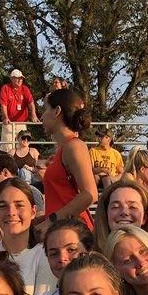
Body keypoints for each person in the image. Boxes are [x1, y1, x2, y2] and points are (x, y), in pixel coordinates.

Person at [0, 177, 57, 295]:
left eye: (19, 205)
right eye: (3, 206)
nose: (11, 212)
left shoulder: (45, 256)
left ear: (33, 211)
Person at [38, 88, 96, 232]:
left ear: (57, 111)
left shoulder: (74, 146)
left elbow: (90, 194)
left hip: (74, 235)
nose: (42, 117)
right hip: (63, 231)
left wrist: (51, 221)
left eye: (46, 109)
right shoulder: (66, 148)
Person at [93, 178, 148, 256]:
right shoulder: (90, 259)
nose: (124, 212)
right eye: (116, 207)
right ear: (106, 214)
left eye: (132, 207)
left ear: (145, 217)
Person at [0, 69, 39, 151]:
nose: (20, 80)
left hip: (22, 123)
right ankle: (9, 163)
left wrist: (34, 115)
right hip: (9, 123)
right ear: (11, 78)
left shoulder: (25, 89)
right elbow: (3, 104)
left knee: (22, 147)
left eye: (21, 78)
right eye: (17, 78)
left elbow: (31, 102)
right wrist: (5, 117)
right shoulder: (5, 88)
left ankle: (21, 163)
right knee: (8, 148)